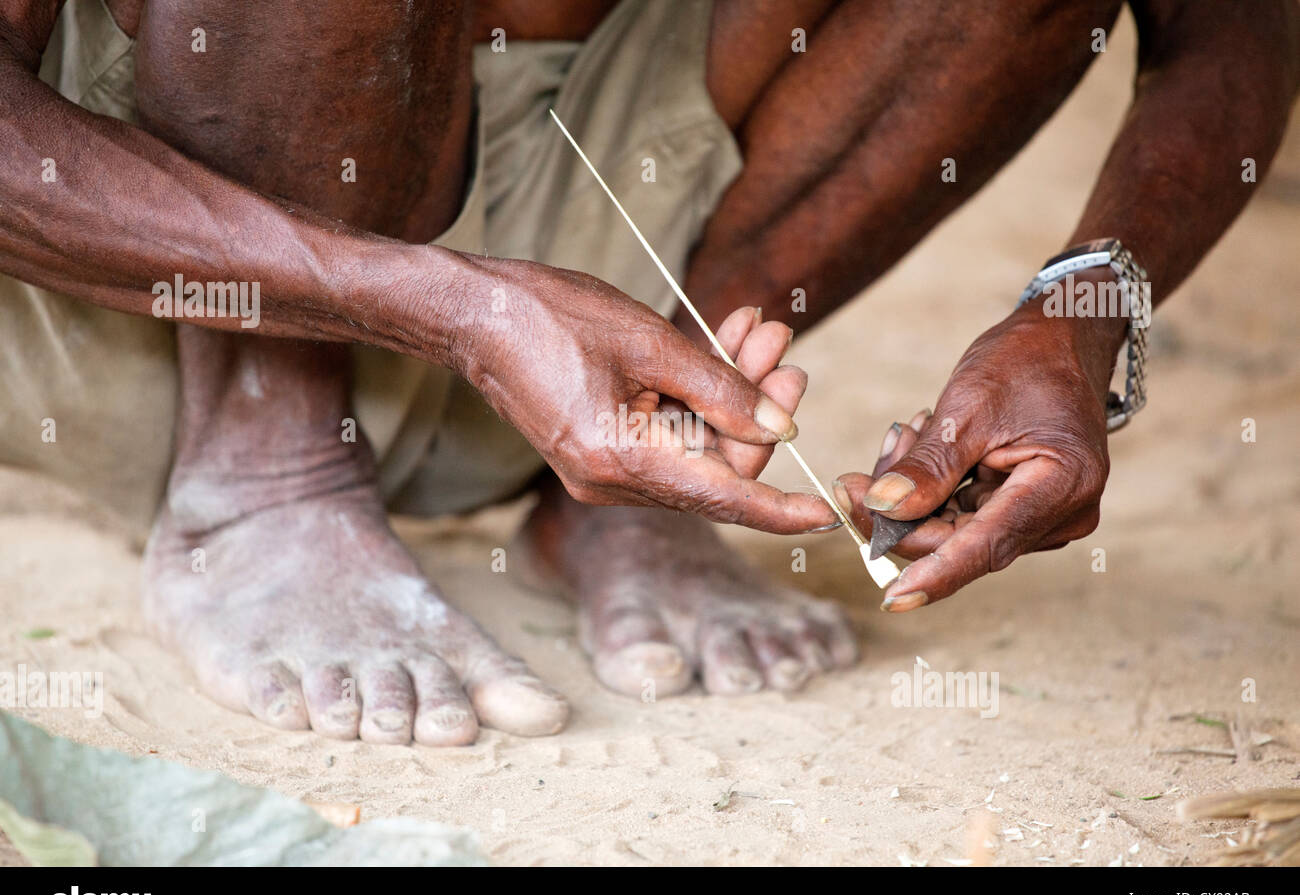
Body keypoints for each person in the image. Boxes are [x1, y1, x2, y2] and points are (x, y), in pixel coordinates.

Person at [1, 0, 1294, 745]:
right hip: (157, 285)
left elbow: (1228, 25)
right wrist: (453, 310)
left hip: (620, 215)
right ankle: (266, 475)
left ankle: (662, 449)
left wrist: (1082, 314)